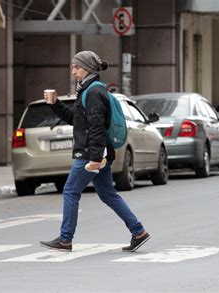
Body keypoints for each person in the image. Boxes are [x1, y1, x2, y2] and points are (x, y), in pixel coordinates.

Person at [40, 50, 150, 252]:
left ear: (87, 69)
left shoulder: (93, 92)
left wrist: (95, 158)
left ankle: (65, 239)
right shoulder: (89, 90)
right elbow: (77, 120)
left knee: (71, 191)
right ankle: (138, 231)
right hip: (98, 152)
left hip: (91, 153)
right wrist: (55, 104)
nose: (73, 71)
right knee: (108, 194)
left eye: (76, 67)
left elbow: (96, 127)